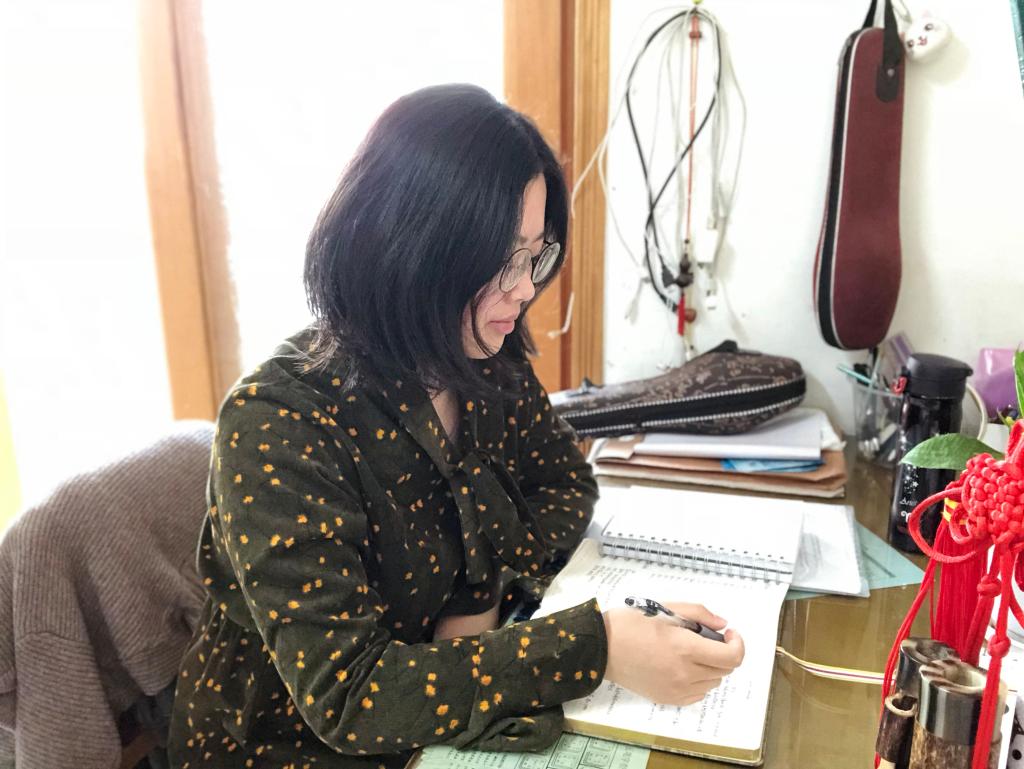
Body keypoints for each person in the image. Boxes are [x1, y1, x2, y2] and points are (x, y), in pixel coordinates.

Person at [167, 83, 744, 769]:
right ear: (411, 248)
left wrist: (482, 590)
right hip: (288, 747)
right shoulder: (281, 423)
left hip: (436, 713)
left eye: (536, 255)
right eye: (503, 260)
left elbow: (566, 484)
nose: (525, 288)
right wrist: (599, 647)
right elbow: (351, 697)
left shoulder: (483, 354)